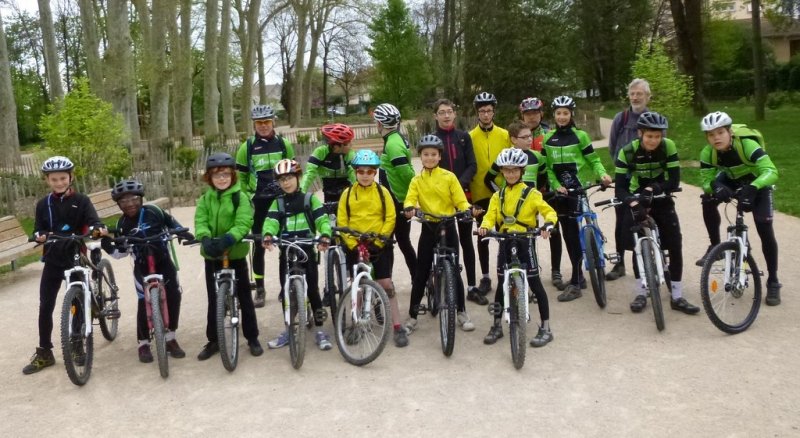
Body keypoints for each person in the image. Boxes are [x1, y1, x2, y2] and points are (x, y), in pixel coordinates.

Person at [23, 156, 107, 375]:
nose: (59, 182)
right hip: (52, 258)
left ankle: (77, 344)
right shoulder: (43, 204)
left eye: (62, 178)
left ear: (71, 177)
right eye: (54, 179)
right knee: (45, 305)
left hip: (75, 255)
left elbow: (94, 221)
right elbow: (37, 229)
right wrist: (39, 235)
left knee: (78, 301)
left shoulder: (82, 200)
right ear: (47, 180)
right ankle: (45, 352)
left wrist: (97, 228)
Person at [614, 112, 699, 315]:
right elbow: (620, 189)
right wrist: (633, 202)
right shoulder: (626, 152)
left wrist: (653, 189)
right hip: (635, 196)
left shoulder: (668, 146)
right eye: (649, 136)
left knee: (674, 243)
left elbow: (674, 181)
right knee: (637, 244)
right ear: (640, 133)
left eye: (657, 136)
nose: (653, 140)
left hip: (660, 195)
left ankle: (677, 296)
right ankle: (641, 292)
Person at [101, 179, 193, 363]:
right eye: (124, 201)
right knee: (144, 301)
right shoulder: (121, 224)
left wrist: (181, 232)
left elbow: (172, 224)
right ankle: (143, 343)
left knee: (174, 295)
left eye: (134, 199)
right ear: (118, 204)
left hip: (163, 261)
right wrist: (107, 244)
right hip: (141, 266)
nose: (130, 204)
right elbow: (120, 253)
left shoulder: (154, 212)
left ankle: (170, 338)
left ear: (141, 198)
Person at [698, 111, 781, 305]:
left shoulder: (747, 145)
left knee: (764, 228)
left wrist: (753, 188)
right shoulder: (708, 153)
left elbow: (771, 171)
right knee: (707, 199)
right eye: (711, 134)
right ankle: (715, 245)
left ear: (730, 133)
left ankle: (773, 281)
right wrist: (716, 187)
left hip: (757, 183)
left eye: (720, 132)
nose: (716, 138)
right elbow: (706, 181)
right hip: (732, 179)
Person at [479, 148, 558, 347]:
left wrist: (548, 224)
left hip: (525, 240)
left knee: (535, 283)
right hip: (505, 240)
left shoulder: (532, 193)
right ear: (502, 172)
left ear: (521, 171)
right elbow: (490, 215)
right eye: (507, 170)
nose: (511, 173)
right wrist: (485, 227)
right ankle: (497, 325)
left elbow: (548, 211)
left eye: (515, 170)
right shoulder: (498, 196)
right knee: (500, 284)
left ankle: (546, 328)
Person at [403, 134, 478, 338]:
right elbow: (410, 198)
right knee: (421, 272)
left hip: (448, 224)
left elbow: (460, 200)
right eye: (425, 154)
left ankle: (462, 312)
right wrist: (410, 207)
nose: (429, 158)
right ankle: (413, 315)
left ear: (439, 156)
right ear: (421, 156)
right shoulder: (417, 180)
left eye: (433, 154)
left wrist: (466, 209)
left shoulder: (449, 177)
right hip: (428, 226)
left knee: (454, 269)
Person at [542, 96, 612, 302]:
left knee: (584, 228)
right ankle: (577, 278)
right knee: (570, 237)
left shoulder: (581, 136)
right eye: (558, 113)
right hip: (561, 193)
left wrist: (602, 175)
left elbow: (594, 160)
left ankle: (588, 263)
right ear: (554, 115)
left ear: (571, 114)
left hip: (579, 189)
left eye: (565, 113)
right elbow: (548, 169)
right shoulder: (548, 138)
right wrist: (556, 186)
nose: (562, 117)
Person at [195, 153, 263, 360]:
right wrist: (205, 238)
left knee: (244, 296)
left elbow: (244, 221)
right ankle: (214, 340)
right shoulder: (205, 199)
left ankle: (252, 337)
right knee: (213, 299)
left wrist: (229, 238)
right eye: (217, 175)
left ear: (232, 175)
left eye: (225, 174)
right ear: (210, 178)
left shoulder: (239, 196)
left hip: (234, 253)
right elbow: (201, 220)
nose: (222, 179)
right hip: (212, 255)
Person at [336, 149, 407, 347]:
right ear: (355, 172)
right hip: (354, 244)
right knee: (356, 286)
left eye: (370, 172)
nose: (365, 175)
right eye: (361, 172)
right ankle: (356, 324)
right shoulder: (347, 194)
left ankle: (397, 325)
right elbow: (343, 220)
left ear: (375, 173)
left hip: (379, 243)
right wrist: (352, 243)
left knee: (385, 283)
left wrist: (380, 241)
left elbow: (390, 217)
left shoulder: (383, 193)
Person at [261, 159, 333, 350]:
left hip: (307, 249)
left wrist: (325, 234)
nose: (286, 182)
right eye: (282, 179)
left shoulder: (310, 199)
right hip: (286, 250)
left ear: (298, 178)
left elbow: (322, 220)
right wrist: (268, 234)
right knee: (286, 293)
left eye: (290, 177)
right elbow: (271, 221)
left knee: (313, 291)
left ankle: (319, 330)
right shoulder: (278, 203)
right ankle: (288, 330)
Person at [235, 104, 295, 308]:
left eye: (266, 122)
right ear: (254, 124)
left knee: (285, 242)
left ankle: (284, 286)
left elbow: (292, 172)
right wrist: (248, 197)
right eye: (259, 123)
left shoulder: (284, 144)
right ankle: (259, 288)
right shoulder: (247, 147)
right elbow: (240, 177)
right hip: (258, 201)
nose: (263, 126)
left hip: (280, 199)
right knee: (260, 244)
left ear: (273, 122)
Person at [432, 99, 481, 303]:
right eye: (442, 112)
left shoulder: (464, 137)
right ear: (436, 116)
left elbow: (472, 165)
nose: (446, 115)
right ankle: (444, 283)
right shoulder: (433, 139)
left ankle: (471, 287)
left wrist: (459, 184)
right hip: (440, 198)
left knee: (466, 240)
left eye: (449, 111)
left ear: (454, 114)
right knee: (442, 242)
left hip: (463, 195)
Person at [606, 79, 652, 282]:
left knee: (644, 218)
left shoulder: (653, 119)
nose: (635, 97)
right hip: (624, 175)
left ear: (647, 96)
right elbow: (612, 145)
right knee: (621, 219)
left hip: (646, 176)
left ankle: (643, 261)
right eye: (632, 93)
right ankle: (620, 263)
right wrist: (621, 164)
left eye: (639, 94)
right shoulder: (621, 118)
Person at [469, 92, 512, 304]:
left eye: (489, 110)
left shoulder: (504, 134)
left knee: (506, 233)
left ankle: (508, 272)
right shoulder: (470, 136)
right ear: (477, 113)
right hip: (479, 192)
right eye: (482, 111)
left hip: (502, 191)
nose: (485, 114)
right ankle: (485, 276)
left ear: (494, 111)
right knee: (483, 236)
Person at [520, 97, 564, 289]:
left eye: (535, 113)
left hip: (547, 190)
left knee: (553, 229)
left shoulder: (549, 133)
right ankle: (531, 269)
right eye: (528, 114)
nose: (531, 117)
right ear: (523, 116)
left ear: (541, 114)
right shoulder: (517, 135)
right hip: (526, 192)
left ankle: (556, 271)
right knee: (528, 233)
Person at [374, 103, 417, 276]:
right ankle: (417, 278)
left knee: (391, 242)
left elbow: (407, 173)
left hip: (396, 201)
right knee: (401, 241)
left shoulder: (392, 144)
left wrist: (414, 195)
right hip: (395, 200)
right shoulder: (395, 138)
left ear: (380, 124)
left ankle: (393, 279)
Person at [299, 123, 356, 202]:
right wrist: (300, 194)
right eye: (347, 143)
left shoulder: (350, 154)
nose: (351, 145)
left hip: (347, 193)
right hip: (328, 193)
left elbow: (354, 174)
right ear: (336, 147)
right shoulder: (320, 152)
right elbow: (309, 173)